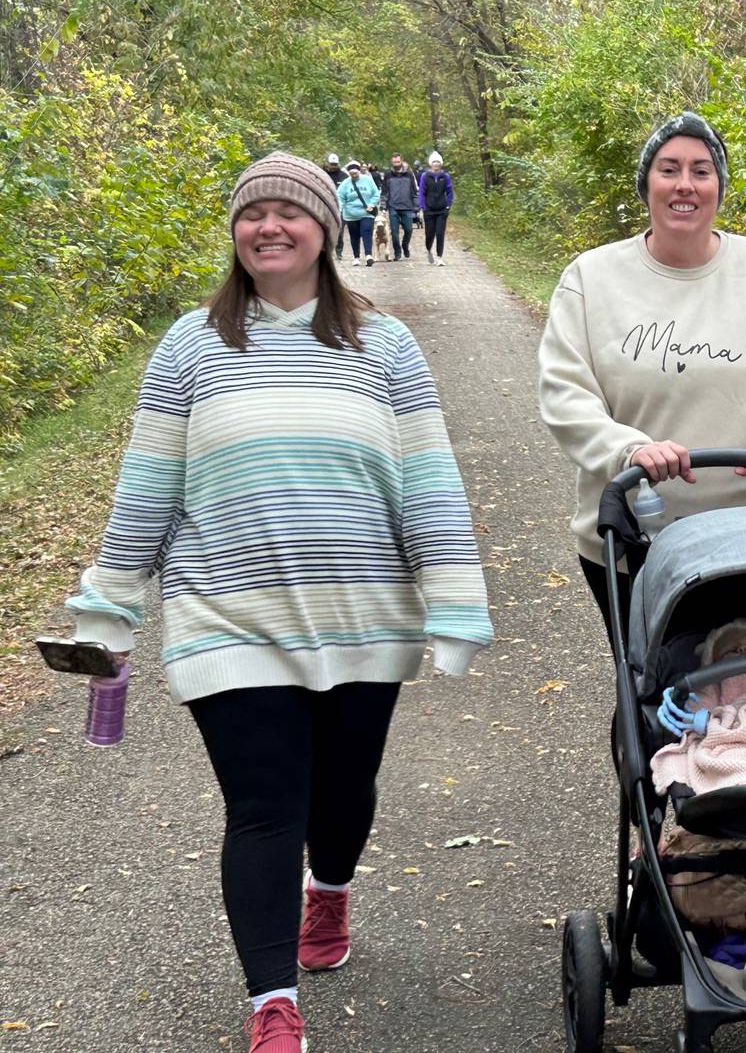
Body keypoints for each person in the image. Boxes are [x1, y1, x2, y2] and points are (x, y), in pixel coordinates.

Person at [64, 151, 494, 1052]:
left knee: (344, 791)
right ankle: (272, 1004)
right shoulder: (192, 343)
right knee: (263, 806)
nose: (269, 226)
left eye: (288, 212)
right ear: (235, 232)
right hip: (230, 615)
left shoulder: (385, 344)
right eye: (251, 212)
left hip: (363, 614)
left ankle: (329, 892)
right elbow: (146, 484)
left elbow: (427, 477)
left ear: (325, 228)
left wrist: (453, 598)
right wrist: (109, 603)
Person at [538, 111, 746, 644]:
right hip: (633, 538)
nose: (685, 185)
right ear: (645, 183)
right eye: (669, 169)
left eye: (702, 171)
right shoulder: (591, 277)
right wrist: (628, 451)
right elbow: (565, 394)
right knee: (653, 695)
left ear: (720, 186)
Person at [337, 159, 380, 267]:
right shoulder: (345, 184)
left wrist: (372, 203)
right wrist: (340, 208)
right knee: (354, 235)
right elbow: (339, 197)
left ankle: (368, 256)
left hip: (367, 212)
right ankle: (356, 257)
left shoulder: (368, 180)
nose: (354, 175)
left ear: (359, 171)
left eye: (355, 173)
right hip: (351, 214)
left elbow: (376, 194)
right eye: (351, 174)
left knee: (366, 231)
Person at [382, 153, 419, 260]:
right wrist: (383, 205)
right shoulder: (388, 174)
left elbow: (414, 190)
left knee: (409, 229)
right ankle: (397, 252)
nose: (396, 164)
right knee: (394, 232)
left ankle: (405, 245)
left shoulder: (409, 174)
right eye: (394, 162)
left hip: (407, 206)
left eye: (398, 162)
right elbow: (384, 192)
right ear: (391, 162)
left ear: (402, 161)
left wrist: (416, 205)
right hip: (393, 206)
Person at [420, 151, 454, 266]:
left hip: (441, 210)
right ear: (430, 164)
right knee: (430, 234)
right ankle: (429, 249)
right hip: (429, 210)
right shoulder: (425, 176)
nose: (436, 164)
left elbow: (450, 192)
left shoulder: (445, 176)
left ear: (441, 164)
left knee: (440, 233)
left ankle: (439, 257)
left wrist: (448, 205)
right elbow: (422, 192)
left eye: (438, 162)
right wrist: (423, 206)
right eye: (434, 162)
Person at [321, 153, 346, 259]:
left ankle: (339, 251)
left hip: (340, 207)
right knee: (325, 229)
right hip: (325, 206)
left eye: (335, 164)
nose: (333, 166)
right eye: (331, 164)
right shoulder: (322, 175)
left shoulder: (344, 176)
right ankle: (325, 250)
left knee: (339, 231)